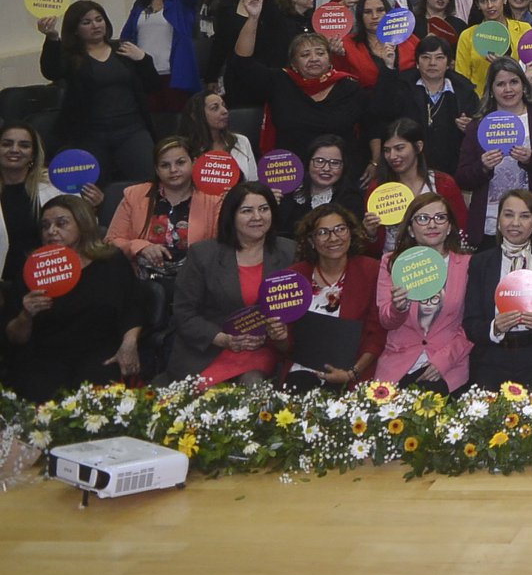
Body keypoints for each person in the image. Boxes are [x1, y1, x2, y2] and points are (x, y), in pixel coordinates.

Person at [4, 195, 145, 400]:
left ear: (83, 223)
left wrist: (129, 343)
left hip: (100, 353)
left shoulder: (110, 261)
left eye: (61, 223)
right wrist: (26, 314)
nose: (52, 231)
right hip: (45, 357)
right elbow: (14, 337)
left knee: (97, 399)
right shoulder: (31, 271)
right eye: (45, 226)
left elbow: (134, 307)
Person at [161, 182, 295, 386]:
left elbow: (303, 310)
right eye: (247, 211)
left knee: (253, 383)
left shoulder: (291, 252)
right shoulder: (203, 255)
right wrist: (224, 339)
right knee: (209, 401)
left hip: (267, 349)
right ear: (231, 216)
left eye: (264, 209)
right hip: (211, 349)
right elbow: (184, 312)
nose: (257, 217)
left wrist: (281, 336)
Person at [228, 0, 369, 174]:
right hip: (289, 174)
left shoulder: (349, 87)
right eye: (305, 55)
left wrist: (373, 163)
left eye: (320, 53)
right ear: (293, 63)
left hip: (340, 175)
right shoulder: (280, 81)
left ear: (329, 58)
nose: (314, 59)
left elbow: (370, 127)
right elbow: (243, 63)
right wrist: (253, 18)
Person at [462, 188, 532, 391]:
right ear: (498, 221)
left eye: (525, 216)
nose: (515, 223)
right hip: (492, 357)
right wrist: (494, 328)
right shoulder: (481, 262)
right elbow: (470, 324)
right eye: (508, 214)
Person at [37, 0, 158, 182]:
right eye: (87, 22)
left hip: (131, 129)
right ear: (75, 30)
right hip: (91, 134)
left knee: (149, 179)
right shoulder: (71, 57)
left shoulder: (123, 49)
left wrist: (143, 59)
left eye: (99, 19)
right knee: (93, 187)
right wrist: (52, 38)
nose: (95, 25)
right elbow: (51, 71)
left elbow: (152, 85)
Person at [456, 58, 532, 250]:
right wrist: (483, 166)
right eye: (500, 84)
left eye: (513, 82)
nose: (508, 89)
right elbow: (463, 179)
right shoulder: (477, 126)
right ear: (491, 90)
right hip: (491, 224)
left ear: (524, 85)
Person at [374, 192, 475, 392]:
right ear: (411, 229)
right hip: (398, 364)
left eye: (440, 218)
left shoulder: (468, 264)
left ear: (449, 228)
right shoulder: (391, 262)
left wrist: (443, 361)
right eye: (422, 219)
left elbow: (472, 325)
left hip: (448, 366)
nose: (432, 224)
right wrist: (398, 308)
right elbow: (386, 321)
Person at [283, 204, 384, 389]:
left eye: (340, 229)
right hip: (302, 370)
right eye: (323, 232)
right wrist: (278, 335)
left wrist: (353, 373)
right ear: (311, 241)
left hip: (353, 370)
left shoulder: (372, 270)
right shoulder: (293, 276)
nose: (333, 238)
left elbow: (376, 333)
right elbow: (285, 343)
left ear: (351, 233)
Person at [370, 34, 478, 176]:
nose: (432, 63)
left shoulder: (465, 92)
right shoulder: (403, 87)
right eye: (426, 57)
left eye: (439, 58)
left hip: (453, 170)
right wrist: (389, 67)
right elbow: (382, 111)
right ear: (417, 62)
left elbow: (479, 129)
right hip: (408, 170)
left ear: (449, 64)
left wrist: (471, 127)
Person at [106, 135, 221, 267]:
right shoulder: (134, 195)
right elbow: (111, 241)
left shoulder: (213, 200)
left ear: (193, 162)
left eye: (180, 162)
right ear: (157, 170)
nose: (173, 170)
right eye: (165, 165)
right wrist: (139, 247)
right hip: (143, 279)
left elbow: (223, 246)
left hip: (195, 279)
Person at [121, 0, 205, 110]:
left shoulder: (182, 2)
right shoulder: (140, 4)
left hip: (173, 76)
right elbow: (127, 35)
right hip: (144, 75)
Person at [367, 118, 468, 254]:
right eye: (386, 150)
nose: (392, 156)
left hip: (439, 263)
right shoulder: (377, 189)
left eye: (399, 148)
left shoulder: (443, 183)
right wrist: (371, 233)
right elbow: (372, 248)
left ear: (418, 147)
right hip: (394, 263)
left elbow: (461, 228)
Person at [1, 124, 79, 298]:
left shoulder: (54, 186)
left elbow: (80, 227)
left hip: (51, 277)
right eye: (6, 144)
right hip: (5, 283)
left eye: (24, 145)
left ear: (33, 154)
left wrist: (93, 205)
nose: (14, 150)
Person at [274, 135, 361, 238]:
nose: (326, 168)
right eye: (319, 161)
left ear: (344, 167)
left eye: (335, 163)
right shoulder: (287, 192)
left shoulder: (352, 200)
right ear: (308, 163)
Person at [177, 88, 257, 181]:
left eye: (224, 105)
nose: (225, 111)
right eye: (215, 108)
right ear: (195, 116)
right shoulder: (184, 149)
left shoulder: (241, 141)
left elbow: (253, 182)